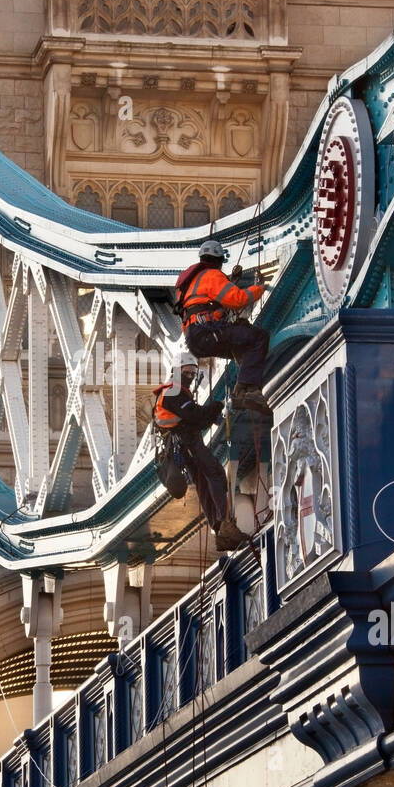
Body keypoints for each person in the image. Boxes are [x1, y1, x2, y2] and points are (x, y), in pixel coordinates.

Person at [153, 351, 246, 554]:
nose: (191, 376)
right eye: (187, 372)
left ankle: (220, 529)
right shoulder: (173, 392)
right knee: (215, 474)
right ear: (177, 371)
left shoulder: (173, 392)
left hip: (185, 445)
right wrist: (217, 405)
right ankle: (224, 523)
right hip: (187, 443)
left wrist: (208, 414)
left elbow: (196, 418)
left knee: (204, 484)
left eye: (193, 373)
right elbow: (196, 416)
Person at [175, 237, 271, 416]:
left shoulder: (188, 285)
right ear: (219, 260)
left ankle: (243, 393)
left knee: (242, 344)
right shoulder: (212, 275)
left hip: (195, 339)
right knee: (258, 337)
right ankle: (247, 391)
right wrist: (259, 288)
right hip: (206, 333)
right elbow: (238, 300)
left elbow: (208, 308)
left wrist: (231, 282)